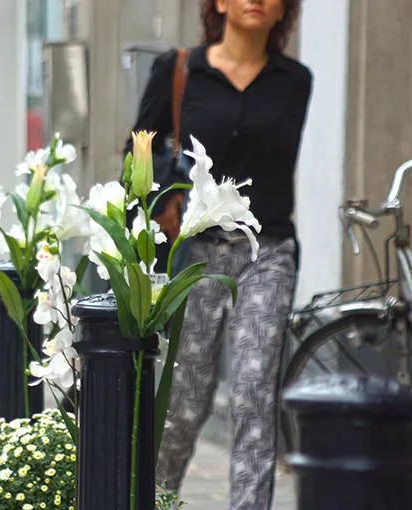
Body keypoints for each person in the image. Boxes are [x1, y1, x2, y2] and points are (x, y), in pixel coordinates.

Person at [126, 1, 312, 509]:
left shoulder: (296, 81)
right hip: (197, 254)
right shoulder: (181, 70)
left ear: (284, 11)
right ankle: (154, 500)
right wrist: (163, 199)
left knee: (254, 396)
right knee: (185, 402)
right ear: (219, 4)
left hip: (266, 251)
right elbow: (135, 154)